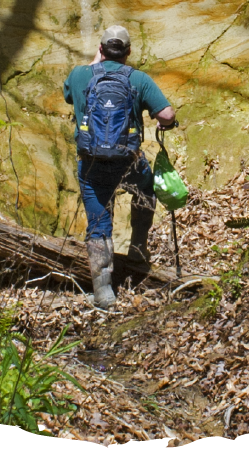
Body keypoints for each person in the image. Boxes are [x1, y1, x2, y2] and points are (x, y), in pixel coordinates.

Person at [64, 23, 176, 309]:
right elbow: (166, 113)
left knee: (98, 222)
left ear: (101, 50)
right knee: (146, 189)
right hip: (128, 162)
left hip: (91, 166)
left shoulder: (79, 75)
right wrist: (166, 123)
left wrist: (94, 61)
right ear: (128, 53)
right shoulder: (138, 79)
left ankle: (103, 293)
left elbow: (69, 95)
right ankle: (138, 249)